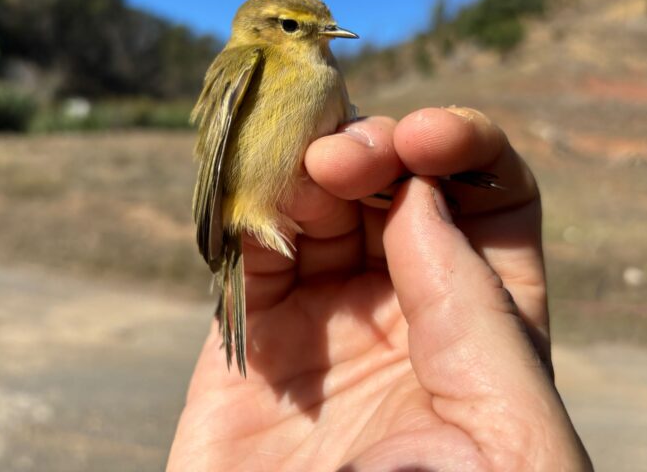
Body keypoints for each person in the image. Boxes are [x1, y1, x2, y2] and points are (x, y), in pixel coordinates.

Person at [167, 107, 594, 471]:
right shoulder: (253, 60)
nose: (325, 35)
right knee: (347, 167)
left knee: (349, 166)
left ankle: (412, 186)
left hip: (323, 205)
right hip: (255, 208)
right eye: (293, 27)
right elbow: (221, 155)